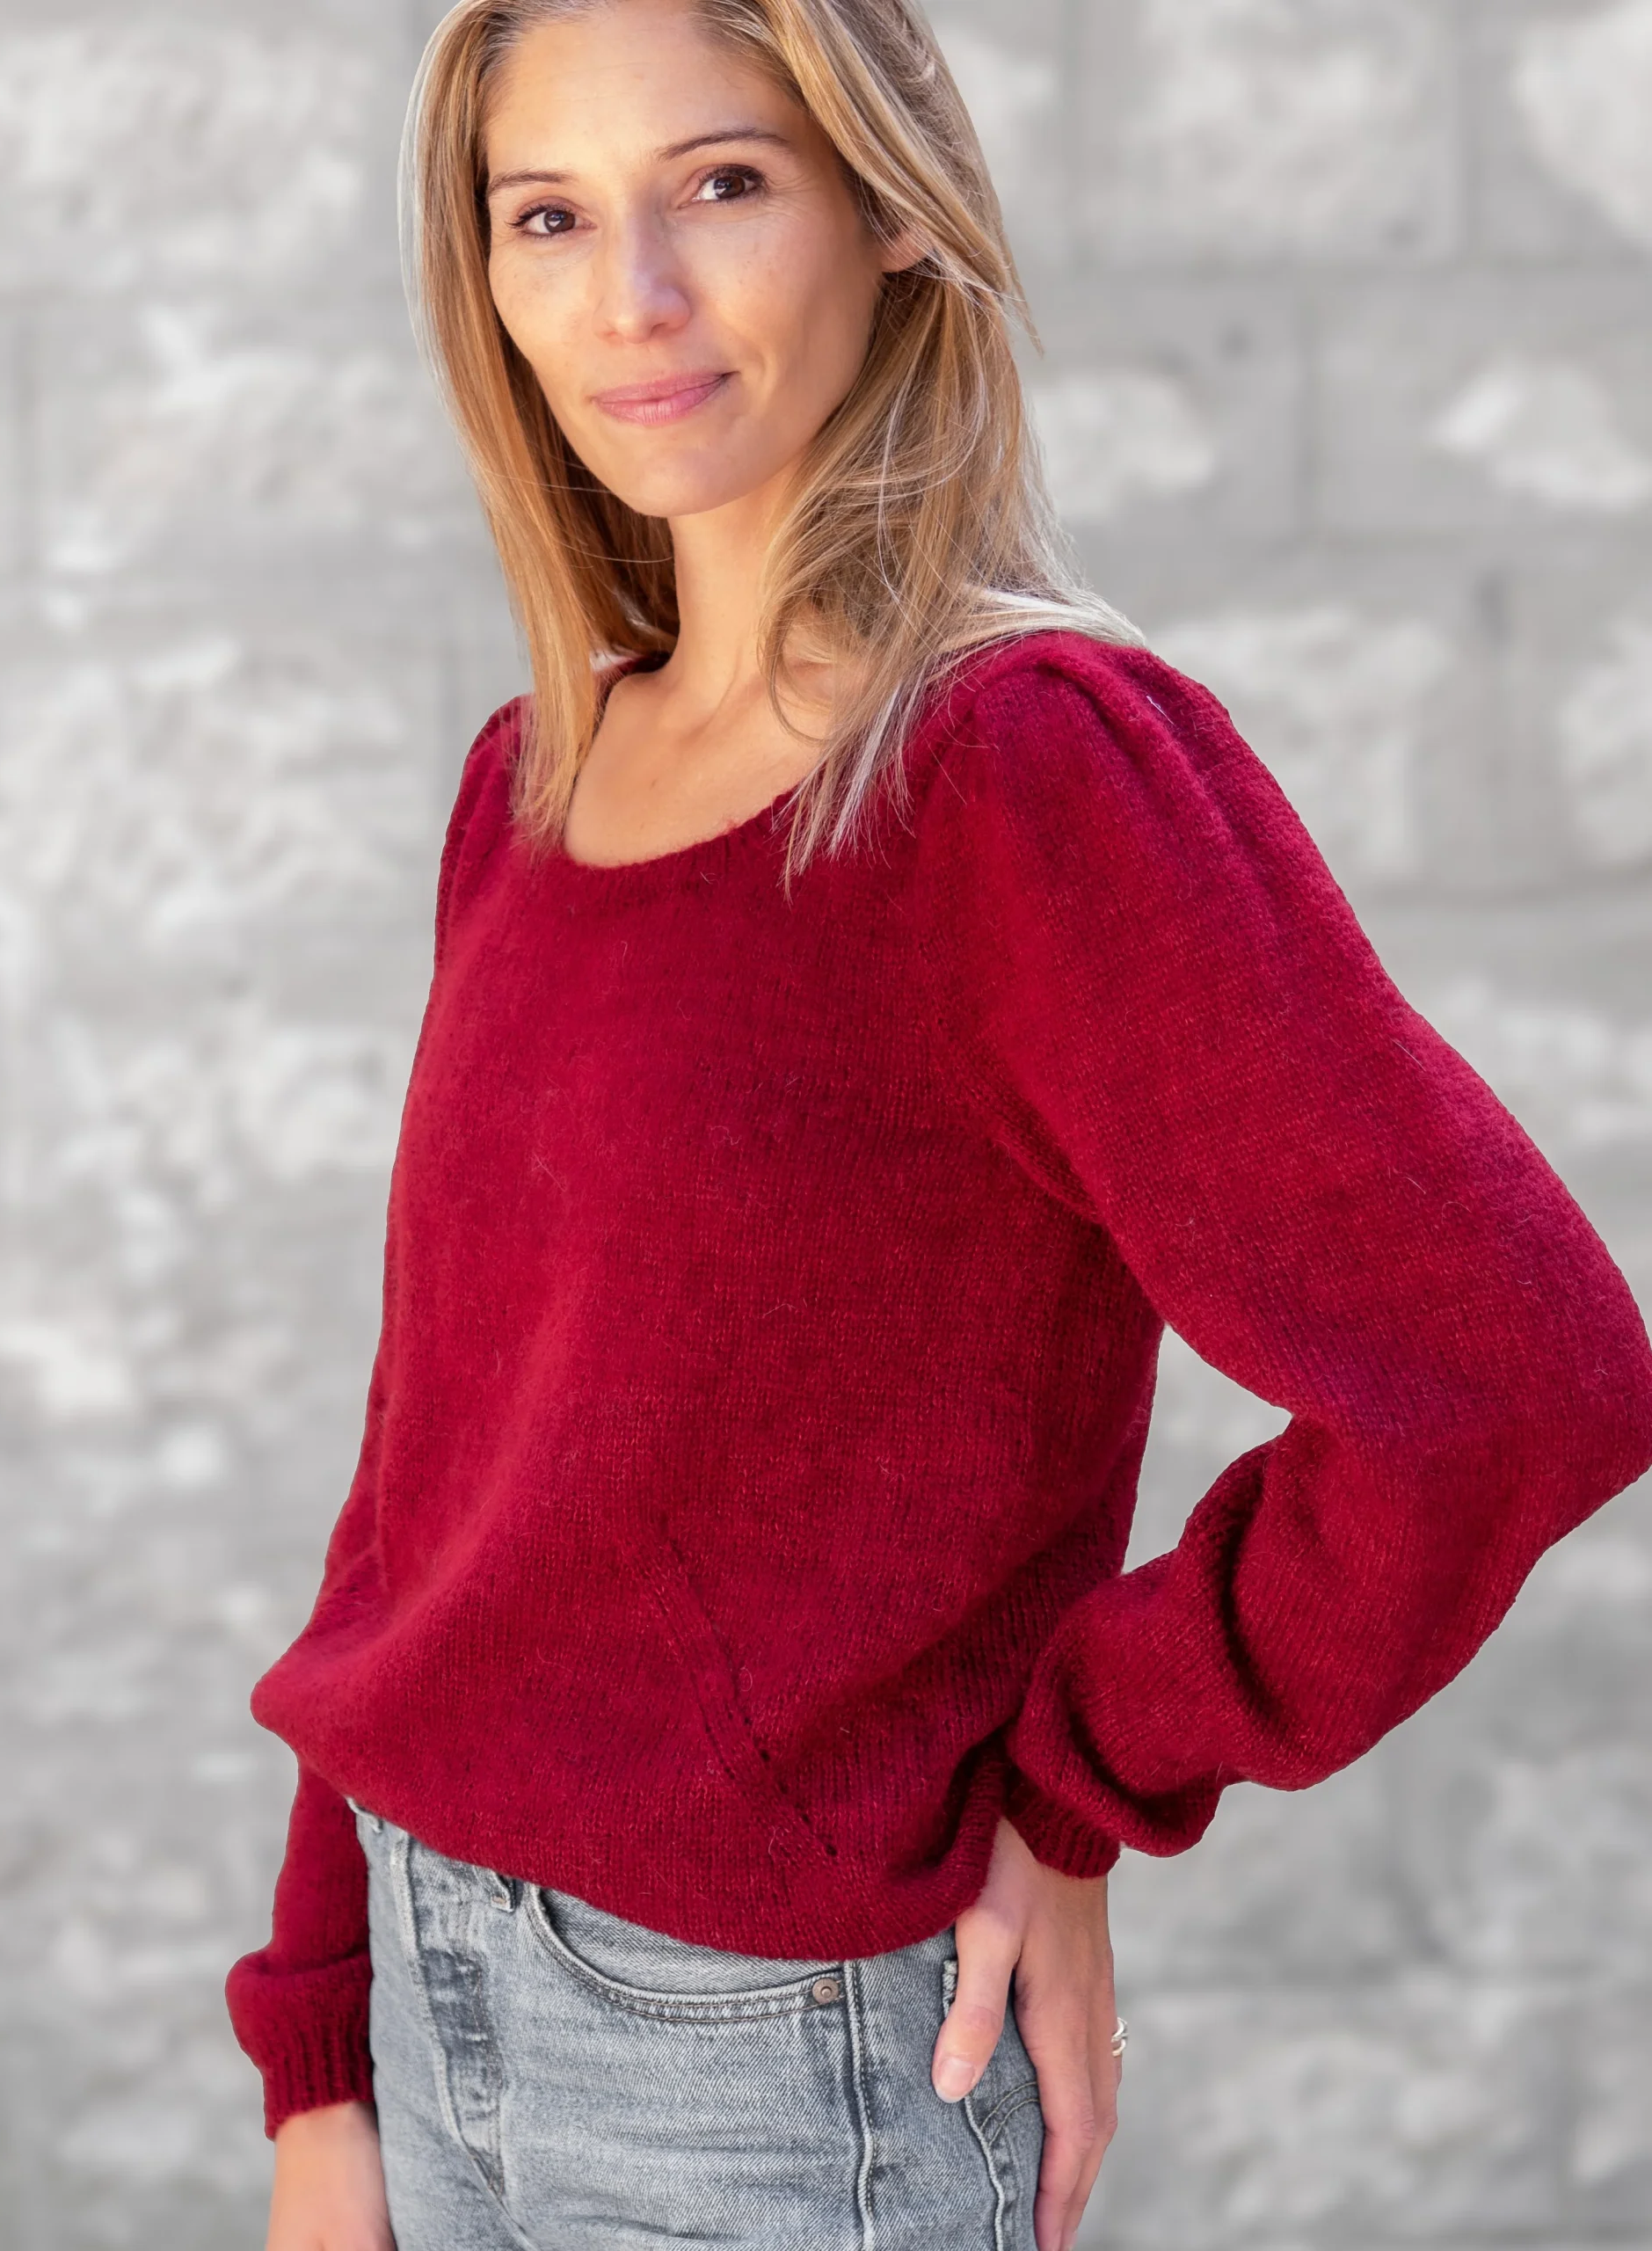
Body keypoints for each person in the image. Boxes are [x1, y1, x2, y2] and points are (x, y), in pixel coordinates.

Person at [224, 0, 1652, 2245]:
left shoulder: (1029, 771)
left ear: (886, 209)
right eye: (548, 216)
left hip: (764, 2076)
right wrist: (324, 2050)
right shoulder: (533, 783)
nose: (633, 297)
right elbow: (430, 1473)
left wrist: (1082, 1783)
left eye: (721, 184)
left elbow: (1515, 1374)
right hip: (426, 1995)